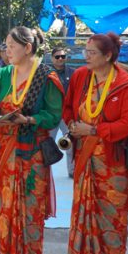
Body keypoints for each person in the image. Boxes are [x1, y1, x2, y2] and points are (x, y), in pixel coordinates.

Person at [0, 26, 64, 254]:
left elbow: (53, 115)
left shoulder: (46, 76)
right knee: (5, 209)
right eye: (5, 45)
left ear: (27, 48)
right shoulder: (3, 74)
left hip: (32, 154)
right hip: (4, 151)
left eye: (11, 46)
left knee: (29, 211)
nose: (6, 51)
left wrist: (29, 119)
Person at [62, 33, 128, 254]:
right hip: (85, 157)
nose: (86, 56)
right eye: (85, 51)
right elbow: (68, 107)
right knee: (84, 213)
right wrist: (73, 124)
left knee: (110, 216)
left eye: (92, 52)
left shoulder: (125, 83)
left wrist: (94, 131)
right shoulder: (81, 77)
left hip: (112, 162)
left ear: (108, 56)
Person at [50, 46, 75, 178]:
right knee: (47, 143)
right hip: (51, 114)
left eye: (63, 56)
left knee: (70, 143)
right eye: (57, 57)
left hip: (67, 114)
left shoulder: (73, 73)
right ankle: (44, 169)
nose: (60, 59)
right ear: (52, 58)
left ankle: (72, 171)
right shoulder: (45, 72)